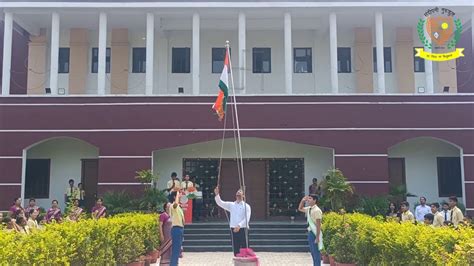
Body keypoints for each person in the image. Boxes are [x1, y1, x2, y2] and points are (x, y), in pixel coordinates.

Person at [214, 186, 251, 256]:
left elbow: (247, 218)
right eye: (237, 195)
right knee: (236, 248)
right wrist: (217, 194)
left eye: (240, 194)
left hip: (243, 229)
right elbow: (221, 203)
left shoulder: (247, 206)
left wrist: (239, 225)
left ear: (243, 195)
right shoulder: (231, 205)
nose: (238, 196)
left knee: (245, 248)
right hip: (234, 229)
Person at [298, 194, 323, 266]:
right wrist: (302, 201)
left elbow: (318, 225)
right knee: (313, 253)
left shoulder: (317, 210)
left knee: (316, 253)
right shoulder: (309, 209)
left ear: (315, 200)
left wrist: (317, 237)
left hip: (315, 233)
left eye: (310, 198)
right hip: (310, 233)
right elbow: (300, 208)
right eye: (308, 198)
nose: (308, 200)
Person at [170, 192, 185, 266]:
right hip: (176, 229)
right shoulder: (173, 206)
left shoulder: (179, 207)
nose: (180, 196)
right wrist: (177, 195)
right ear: (174, 197)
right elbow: (175, 204)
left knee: (178, 250)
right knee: (175, 249)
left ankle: (175, 264)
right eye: (179, 195)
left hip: (180, 229)